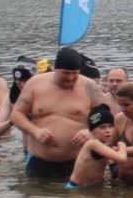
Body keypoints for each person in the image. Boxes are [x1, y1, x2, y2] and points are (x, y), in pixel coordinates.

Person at [10, 45, 103, 182]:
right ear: (55, 69)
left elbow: (106, 117)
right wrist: (35, 131)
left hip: (77, 161)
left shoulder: (90, 87)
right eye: (66, 73)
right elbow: (16, 114)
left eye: (75, 73)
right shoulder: (35, 84)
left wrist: (91, 131)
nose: (70, 78)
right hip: (40, 161)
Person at [66, 104, 128, 188]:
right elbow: (122, 158)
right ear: (92, 131)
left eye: (110, 126)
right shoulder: (93, 144)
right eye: (102, 127)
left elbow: (113, 157)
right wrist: (122, 145)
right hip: (76, 187)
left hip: (93, 187)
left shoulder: (103, 145)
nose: (107, 131)